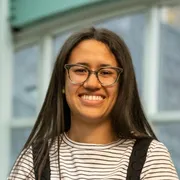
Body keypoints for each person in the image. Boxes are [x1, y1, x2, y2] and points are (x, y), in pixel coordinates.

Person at [8, 27, 179, 180]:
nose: (92, 84)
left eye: (105, 72)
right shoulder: (34, 159)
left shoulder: (151, 157)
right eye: (80, 70)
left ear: (122, 86)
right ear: (62, 82)